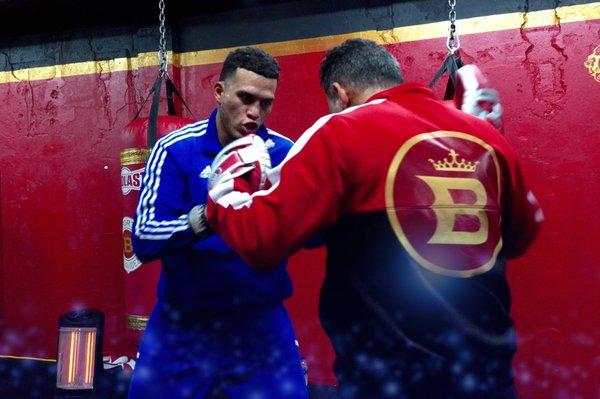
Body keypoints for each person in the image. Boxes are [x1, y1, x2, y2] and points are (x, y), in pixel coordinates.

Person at [202, 39, 543, 398]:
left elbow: (263, 239)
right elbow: (523, 233)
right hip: (488, 378)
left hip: (387, 381)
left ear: (340, 94)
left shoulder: (341, 131)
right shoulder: (486, 136)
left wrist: (225, 193)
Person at [128, 47, 308, 399]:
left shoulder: (284, 153)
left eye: (265, 103)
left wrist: (306, 212)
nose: (254, 112)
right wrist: (205, 217)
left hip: (260, 322)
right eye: (245, 97)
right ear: (220, 92)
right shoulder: (175, 148)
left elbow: (310, 234)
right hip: (184, 323)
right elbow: (143, 237)